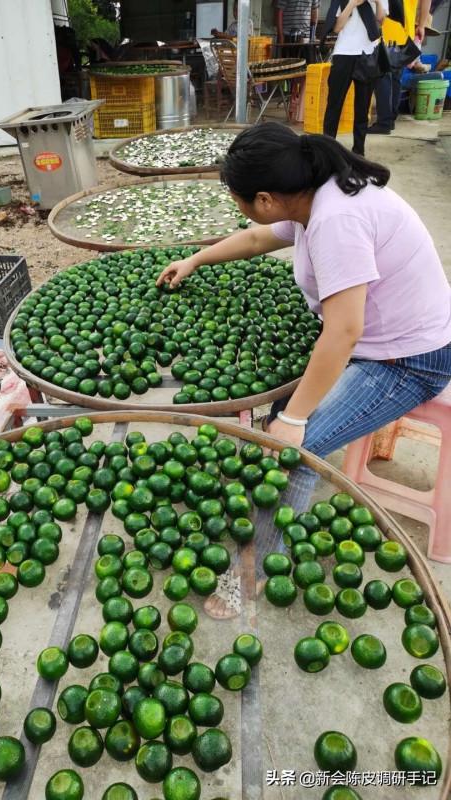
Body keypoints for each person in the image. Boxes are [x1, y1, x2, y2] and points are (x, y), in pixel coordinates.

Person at [156, 123, 451, 617]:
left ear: (267, 197)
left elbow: (343, 332)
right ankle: (271, 485)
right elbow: (254, 241)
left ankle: (255, 567)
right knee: (284, 416)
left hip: (408, 359)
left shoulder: (338, 220)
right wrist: (196, 260)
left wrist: (293, 424)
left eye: (239, 199)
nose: (240, 208)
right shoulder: (314, 194)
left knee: (294, 448)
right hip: (380, 338)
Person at [322, 0, 388, 155]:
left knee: (362, 108)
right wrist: (352, 4)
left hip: (368, 54)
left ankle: (359, 151)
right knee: (334, 104)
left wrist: (377, 2)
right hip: (343, 53)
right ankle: (327, 149)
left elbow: (381, 20)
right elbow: (337, 28)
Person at [368, 0, 430, 134]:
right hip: (405, 28)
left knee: (382, 75)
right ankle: (390, 119)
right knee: (395, 76)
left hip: (389, 25)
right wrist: (422, 25)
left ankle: (384, 122)